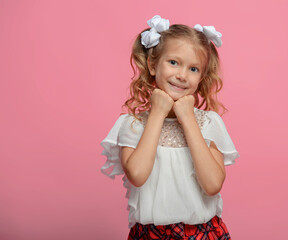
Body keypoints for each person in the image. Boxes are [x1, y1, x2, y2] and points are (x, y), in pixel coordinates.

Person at [100, 15, 240, 239]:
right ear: (153, 65)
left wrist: (188, 119)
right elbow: (137, 174)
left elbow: (213, 184)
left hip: (203, 233)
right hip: (150, 235)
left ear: (201, 76)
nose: (182, 75)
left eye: (193, 69)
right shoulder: (133, 124)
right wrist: (157, 113)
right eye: (173, 62)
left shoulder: (209, 123)